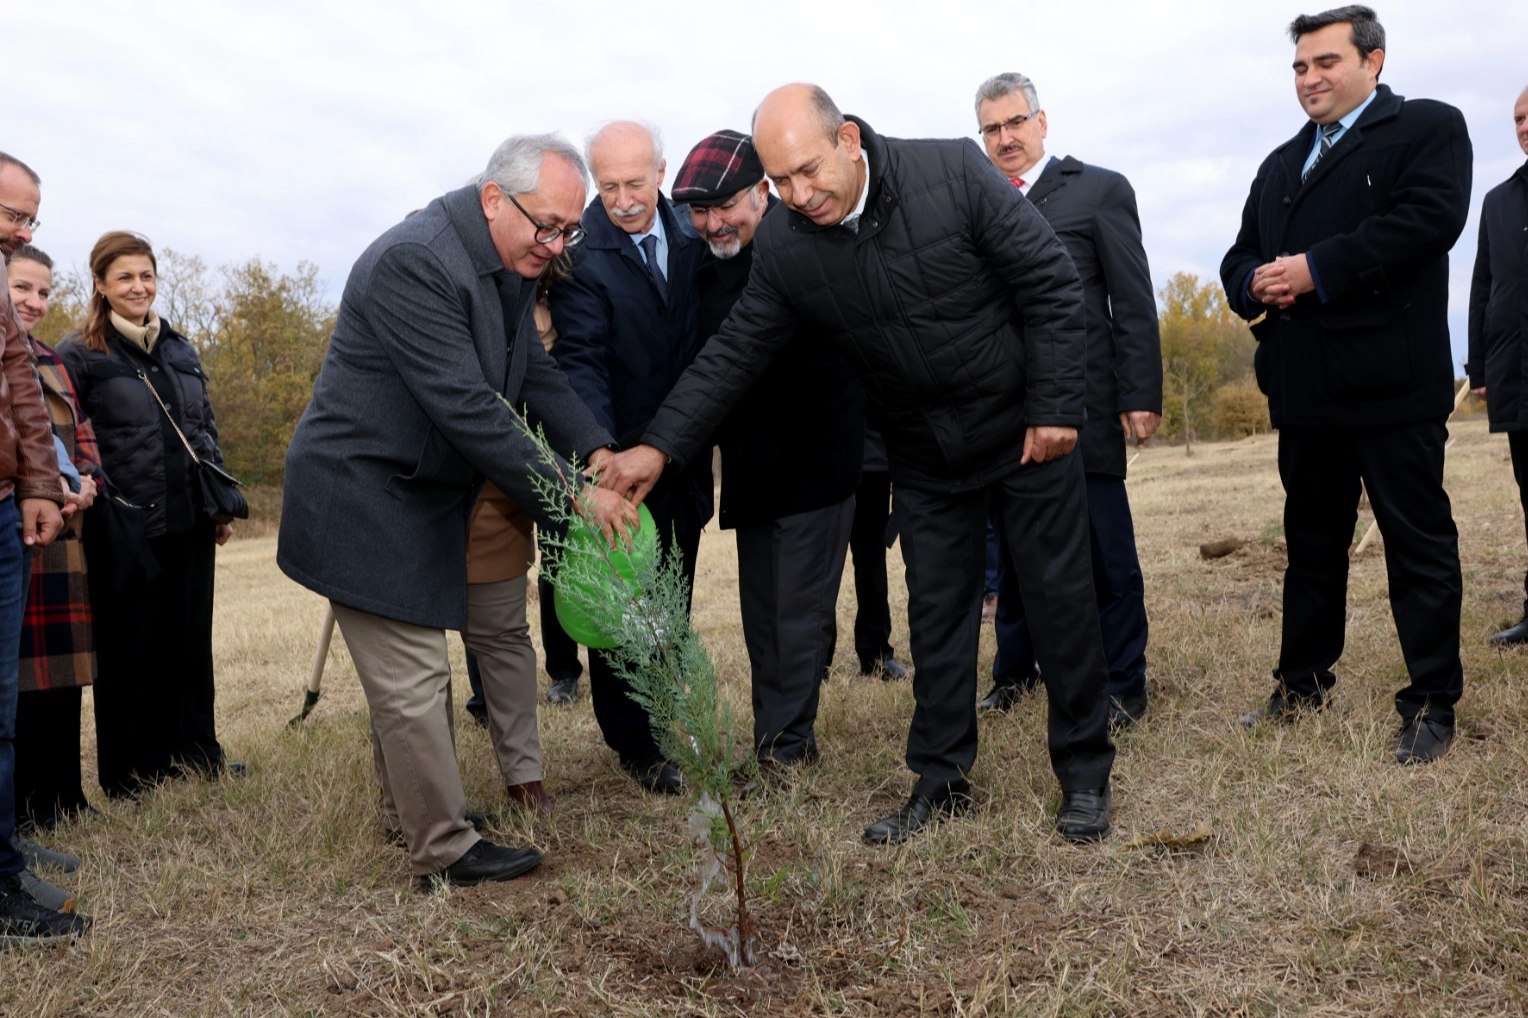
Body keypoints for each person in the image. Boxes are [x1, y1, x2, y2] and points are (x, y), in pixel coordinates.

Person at [600, 85, 1116, 845]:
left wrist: (1054, 406)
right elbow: (735, 352)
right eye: (781, 183)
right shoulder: (787, 244)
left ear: (846, 138)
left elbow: (1050, 281)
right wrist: (660, 444)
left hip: (1022, 435)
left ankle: (1084, 777)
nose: (800, 195)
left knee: (1058, 604)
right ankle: (940, 780)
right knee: (936, 620)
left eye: (809, 170)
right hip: (924, 454)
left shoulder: (951, 174)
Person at [279, 134, 632, 888]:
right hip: (362, 492)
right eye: (547, 226)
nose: (557, 244)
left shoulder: (503, 261)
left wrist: (595, 448)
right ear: (493, 199)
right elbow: (471, 407)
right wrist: (573, 490)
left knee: (408, 678)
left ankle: (407, 810)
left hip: (416, 492)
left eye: (570, 230)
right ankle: (443, 847)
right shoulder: (418, 260)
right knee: (412, 679)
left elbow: (531, 370)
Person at [1220, 6, 1471, 764]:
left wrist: (1315, 269)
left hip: (1392, 386)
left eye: (1326, 62)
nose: (1310, 79)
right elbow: (1238, 255)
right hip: (1306, 391)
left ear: (1374, 61)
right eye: (1300, 66)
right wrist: (1255, 283)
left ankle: (1430, 699)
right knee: (1312, 544)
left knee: (1417, 542)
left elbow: (1429, 221)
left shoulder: (1427, 128)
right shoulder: (1279, 163)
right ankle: (1301, 682)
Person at [972, 73, 1162, 729]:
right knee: (1017, 562)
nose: (1005, 138)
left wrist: (1140, 393)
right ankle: (1015, 674)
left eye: (1015, 122)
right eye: (992, 128)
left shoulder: (1098, 191)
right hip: (1002, 414)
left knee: (1106, 553)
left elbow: (1132, 299)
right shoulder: (976, 200)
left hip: (1083, 406)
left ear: (1042, 122)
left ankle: (1123, 682)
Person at [670, 130, 863, 771]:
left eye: (725, 205)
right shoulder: (702, 266)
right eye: (699, 211)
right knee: (762, 618)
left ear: (762, 191)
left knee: (798, 613)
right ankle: (774, 740)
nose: (712, 222)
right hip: (751, 469)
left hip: (816, 460)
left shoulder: (805, 241)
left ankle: (787, 749)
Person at [548, 121, 710, 795]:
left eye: (636, 183)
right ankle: (635, 746)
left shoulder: (694, 231)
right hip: (618, 462)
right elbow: (579, 360)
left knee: (670, 599)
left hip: (684, 458)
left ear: (663, 172)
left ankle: (666, 713)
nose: (622, 200)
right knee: (620, 610)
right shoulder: (580, 256)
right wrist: (601, 458)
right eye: (608, 186)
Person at [58, 232, 238, 799]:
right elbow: (71, 439)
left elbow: (202, 427)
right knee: (129, 647)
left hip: (190, 519)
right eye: (125, 277)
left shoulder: (181, 348)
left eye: (146, 275)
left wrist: (219, 501)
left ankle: (197, 751)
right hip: (125, 525)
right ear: (100, 284)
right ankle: (132, 771)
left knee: (189, 641)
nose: (139, 286)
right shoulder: (80, 353)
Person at [0, 151, 87, 944]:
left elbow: (23, 395)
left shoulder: (9, 321)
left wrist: (39, 482)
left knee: (2, 709)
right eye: (12, 214)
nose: (21, 231)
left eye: (30, 219)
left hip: (6, 508)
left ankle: (3, 861)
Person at [8, 245, 100, 829]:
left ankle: (63, 796)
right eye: (21, 288)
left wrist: (87, 482)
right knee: (15, 678)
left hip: (65, 531)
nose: (34, 302)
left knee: (62, 677)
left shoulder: (51, 361)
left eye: (43, 291)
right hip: (14, 526)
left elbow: (83, 434)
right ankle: (18, 806)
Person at [1466, 86, 1528, 647]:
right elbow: (1483, 284)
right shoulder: (1498, 201)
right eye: (1517, 119)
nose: (1525, 126)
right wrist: (1479, 364)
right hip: (1518, 374)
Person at [839, 428, 909, 680]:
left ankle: (876, 655)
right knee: (820, 566)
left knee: (872, 562)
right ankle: (814, 661)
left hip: (873, 457)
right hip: (825, 451)